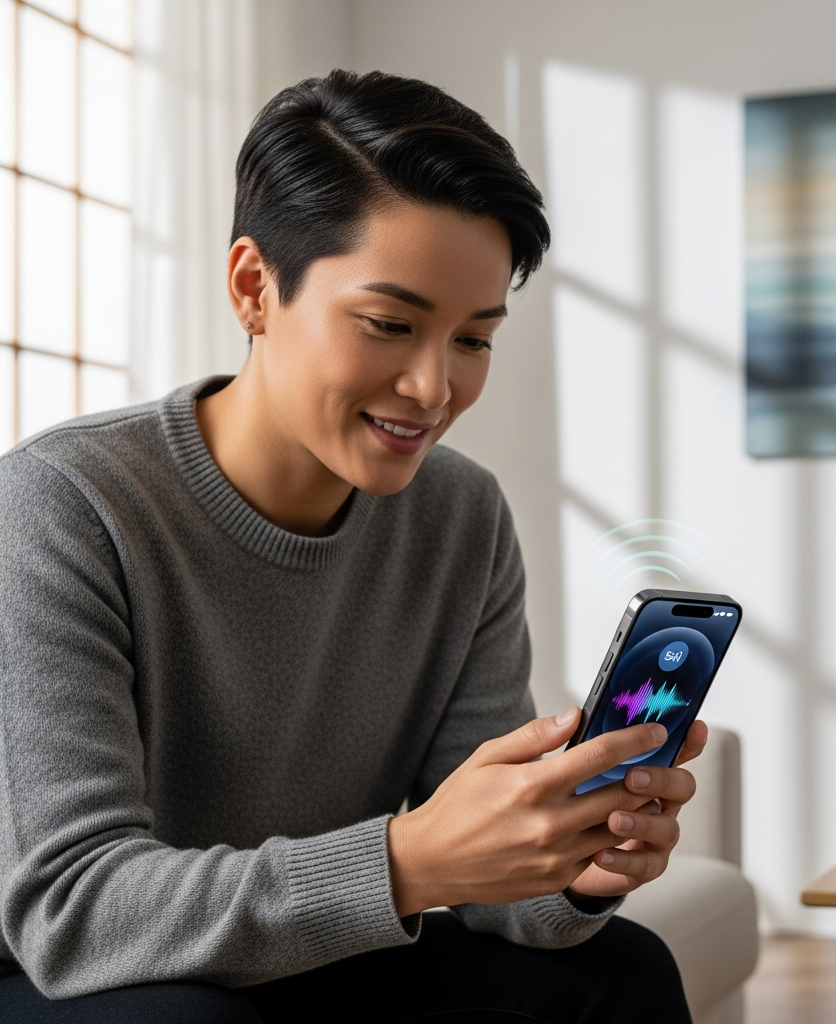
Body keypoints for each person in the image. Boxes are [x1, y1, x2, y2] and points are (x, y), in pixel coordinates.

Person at [0, 70, 706, 1023]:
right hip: (76, 975)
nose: (433, 386)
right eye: (390, 325)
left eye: (474, 339)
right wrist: (406, 862)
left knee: (621, 972)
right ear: (255, 287)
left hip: (320, 948)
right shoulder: (65, 502)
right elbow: (75, 911)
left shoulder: (462, 518)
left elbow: (517, 905)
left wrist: (578, 861)